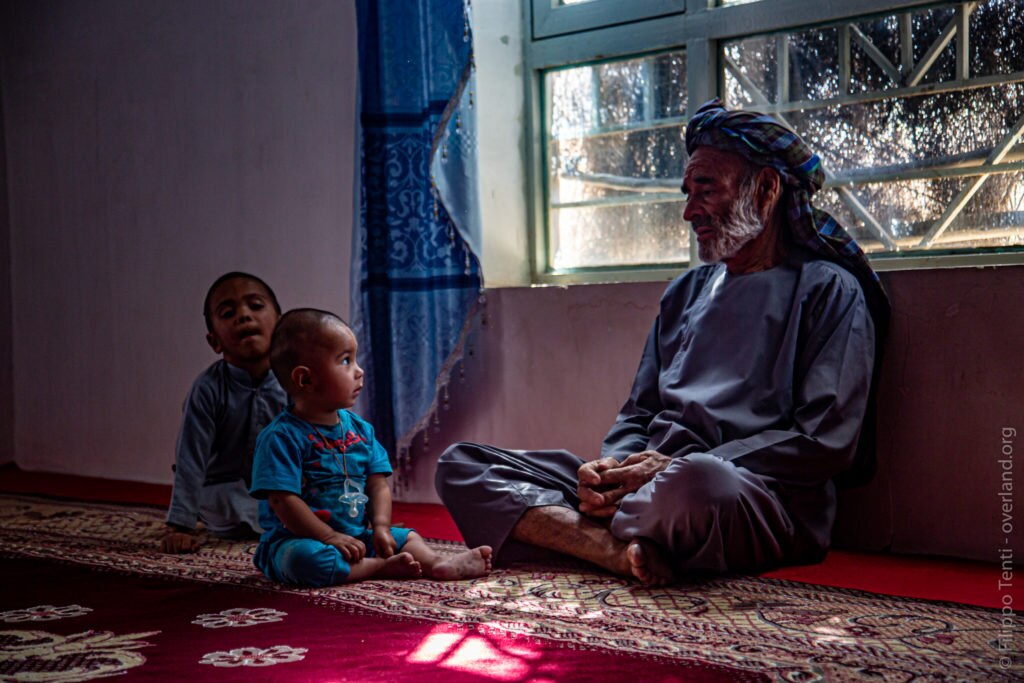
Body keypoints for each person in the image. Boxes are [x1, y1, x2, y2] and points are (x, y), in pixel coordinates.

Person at [435, 99, 890, 586]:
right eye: (687, 192)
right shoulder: (686, 292)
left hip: (745, 494)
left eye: (706, 190)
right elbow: (638, 412)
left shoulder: (829, 290)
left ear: (766, 190)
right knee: (461, 465)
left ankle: (579, 533)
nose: (689, 211)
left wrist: (669, 468)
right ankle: (615, 549)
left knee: (695, 483)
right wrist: (611, 469)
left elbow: (825, 441)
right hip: (646, 485)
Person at [249, 308, 493, 585]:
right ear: (305, 379)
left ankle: (437, 564)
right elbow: (283, 500)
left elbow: (377, 483)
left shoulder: (360, 430)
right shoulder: (281, 437)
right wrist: (328, 537)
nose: (359, 370)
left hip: (356, 536)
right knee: (303, 561)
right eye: (345, 361)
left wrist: (380, 526)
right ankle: (377, 567)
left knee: (409, 537)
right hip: (297, 540)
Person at [161, 272, 288, 554]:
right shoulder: (207, 389)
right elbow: (190, 459)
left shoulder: (294, 381)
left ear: (280, 325)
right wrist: (180, 525)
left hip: (282, 489)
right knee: (230, 501)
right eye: (228, 313)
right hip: (226, 490)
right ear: (214, 341)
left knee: (317, 500)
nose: (243, 316)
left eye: (255, 306)